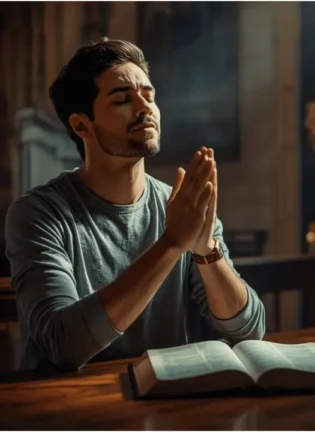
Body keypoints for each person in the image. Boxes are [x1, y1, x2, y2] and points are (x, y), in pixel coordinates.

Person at [4, 39, 266, 371]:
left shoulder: (181, 206)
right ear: (81, 124)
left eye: (149, 95)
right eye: (122, 99)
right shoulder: (38, 214)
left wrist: (205, 249)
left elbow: (249, 330)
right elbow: (63, 344)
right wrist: (172, 244)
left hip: (165, 402)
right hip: (69, 409)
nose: (145, 108)